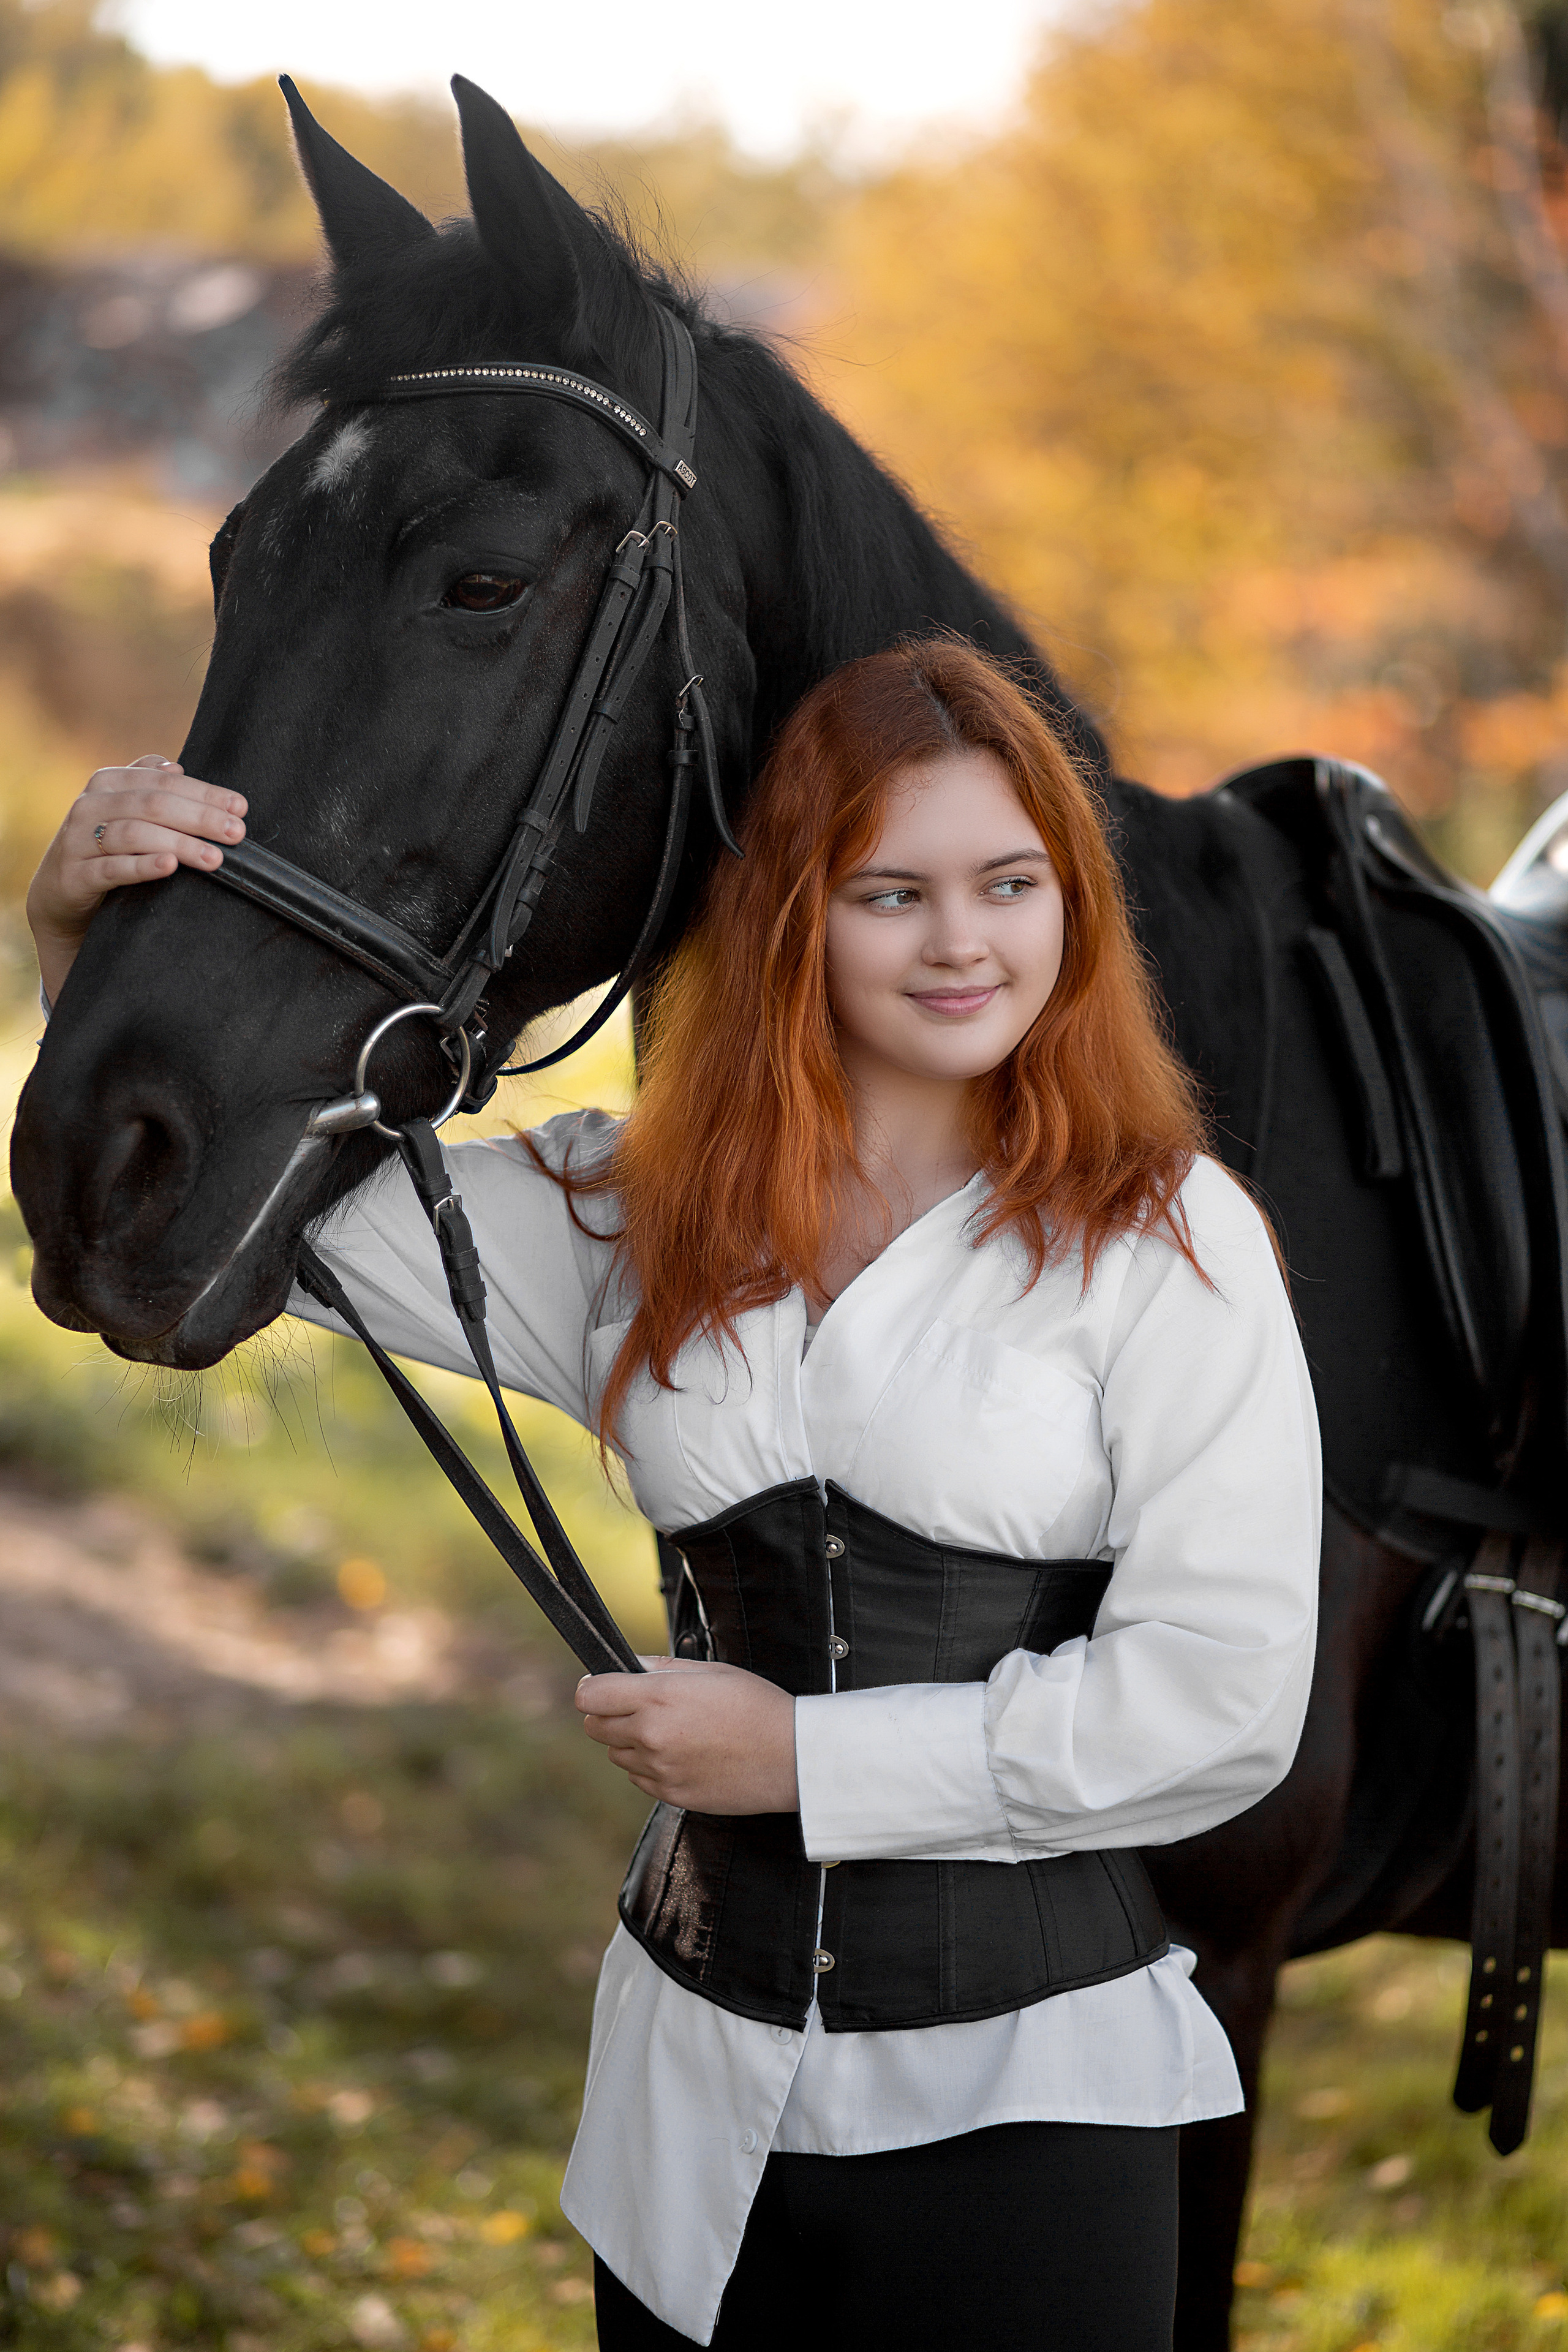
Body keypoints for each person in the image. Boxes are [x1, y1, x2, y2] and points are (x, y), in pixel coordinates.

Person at [28, 638, 1321, 2352]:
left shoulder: (1167, 1243)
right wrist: (74, 949)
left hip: (1033, 2101)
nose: (963, 943)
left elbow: (1222, 1706)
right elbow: (232, 1215)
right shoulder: (628, 1212)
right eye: (893, 892)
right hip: (692, 2105)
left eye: (1012, 884)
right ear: (795, 915)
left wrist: (801, 1760)